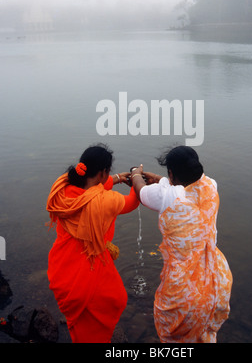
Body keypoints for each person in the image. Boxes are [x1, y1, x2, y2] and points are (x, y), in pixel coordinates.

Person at [130, 145, 232, 343]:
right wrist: (161, 179)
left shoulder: (168, 197)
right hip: (216, 278)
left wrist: (136, 173)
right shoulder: (211, 185)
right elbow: (183, 187)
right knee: (204, 334)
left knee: (174, 338)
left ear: (171, 173)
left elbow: (141, 192)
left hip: (183, 288)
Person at [46, 144, 140, 343]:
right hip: (88, 267)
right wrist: (137, 178)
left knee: (80, 319)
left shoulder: (62, 189)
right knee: (116, 300)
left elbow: (89, 191)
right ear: (103, 172)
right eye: (108, 173)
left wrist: (116, 179)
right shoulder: (105, 202)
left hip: (62, 270)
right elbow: (132, 201)